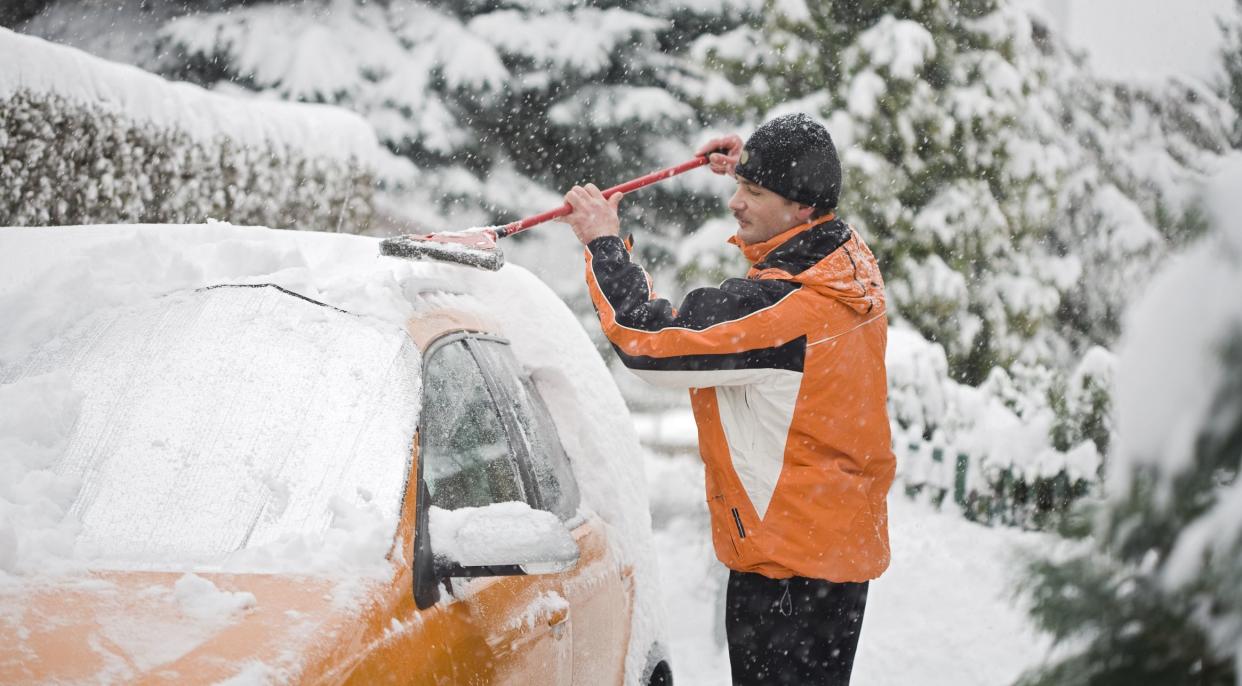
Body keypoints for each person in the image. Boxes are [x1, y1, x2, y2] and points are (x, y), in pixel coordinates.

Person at [562, 113, 895, 685]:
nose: (735, 203)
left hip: (786, 573)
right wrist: (752, 166)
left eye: (754, 192)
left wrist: (604, 245)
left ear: (802, 209)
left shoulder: (787, 311)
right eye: (740, 185)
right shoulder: (846, 264)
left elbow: (650, 340)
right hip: (829, 555)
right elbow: (797, 205)